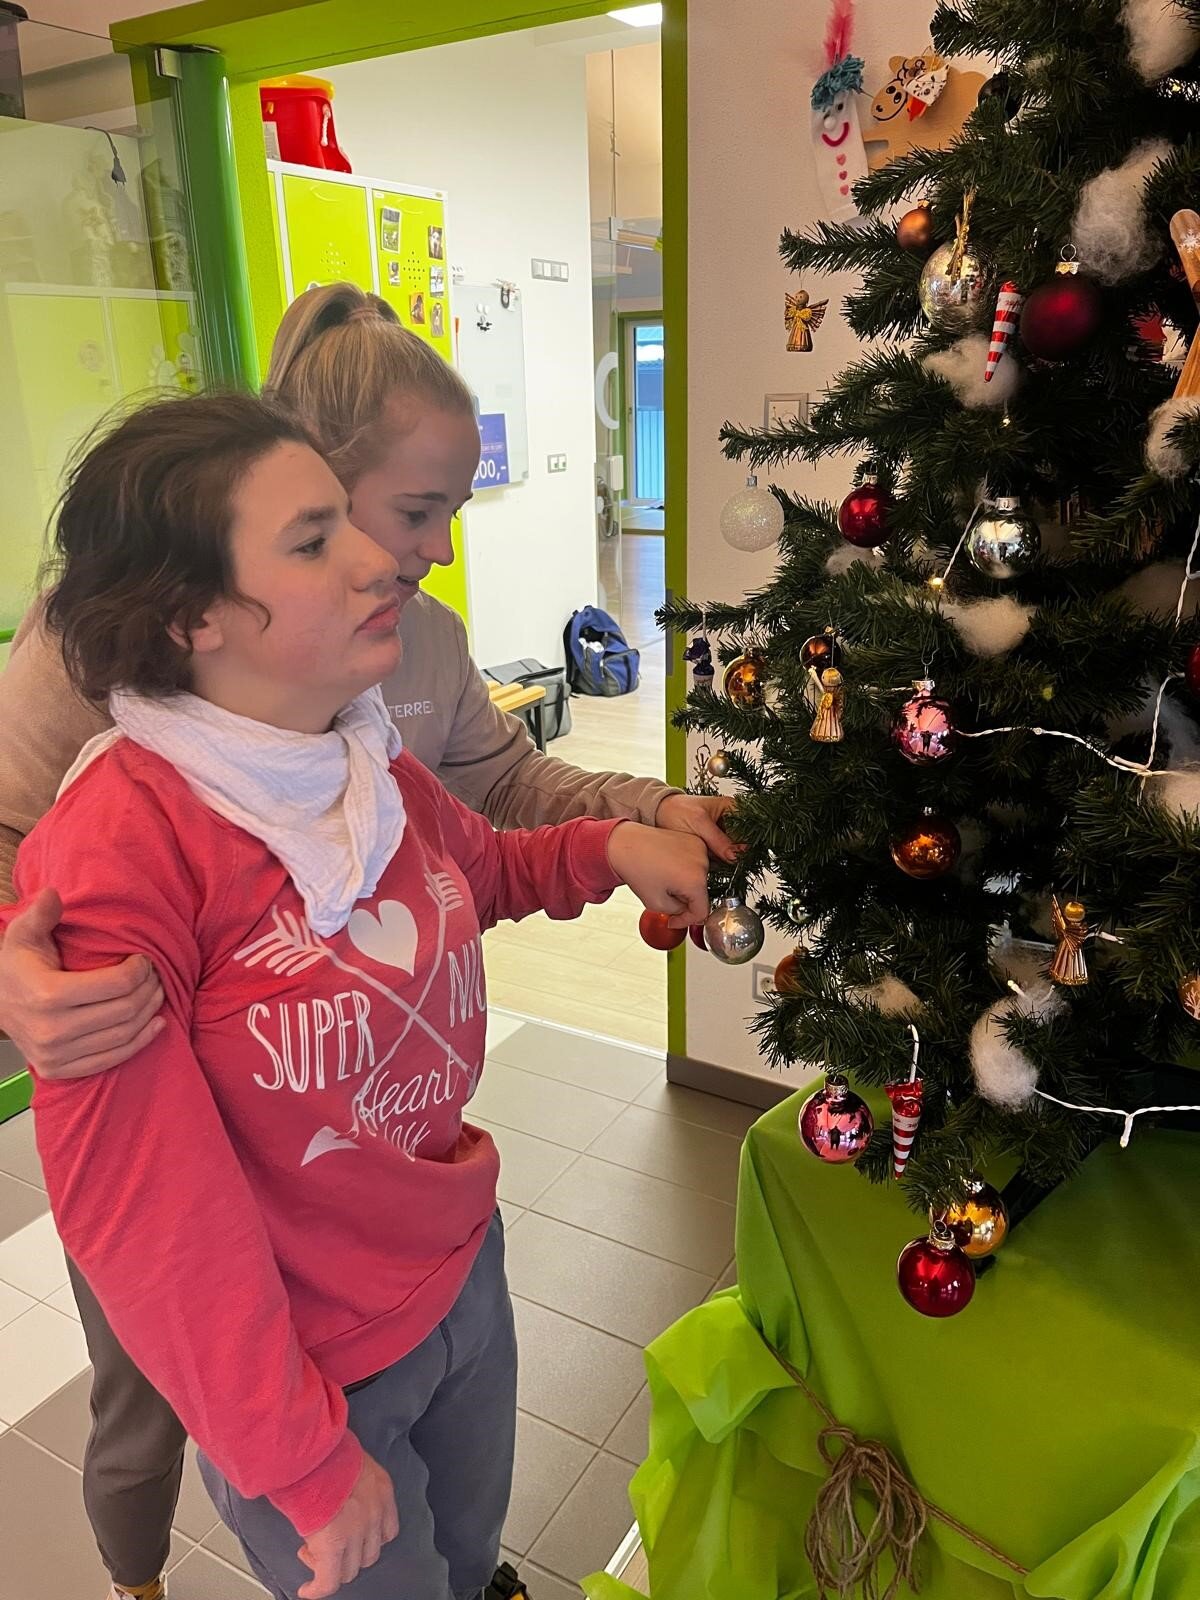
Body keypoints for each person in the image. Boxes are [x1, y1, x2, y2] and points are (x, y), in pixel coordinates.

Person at [0, 283, 730, 1600]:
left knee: (465, 1543)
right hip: (299, 1333)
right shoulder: (125, 825)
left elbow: (485, 845)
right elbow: (155, 1210)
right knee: (157, 1414)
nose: (402, 560)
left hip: (442, 1259)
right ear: (195, 612)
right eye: (329, 531)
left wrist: (620, 839)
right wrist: (297, 1456)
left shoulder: (361, 745)